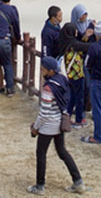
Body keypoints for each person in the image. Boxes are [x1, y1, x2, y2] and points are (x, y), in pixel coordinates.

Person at [28, 56, 87, 194]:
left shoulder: (49, 87)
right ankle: (78, 181)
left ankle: (40, 186)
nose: (41, 71)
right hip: (59, 122)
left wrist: (36, 127)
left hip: (48, 126)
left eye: (43, 69)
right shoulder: (62, 80)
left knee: (41, 153)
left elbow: (44, 112)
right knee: (62, 152)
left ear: (50, 71)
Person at [59, 19, 88, 128]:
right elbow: (86, 47)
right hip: (76, 74)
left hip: (68, 74)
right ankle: (79, 120)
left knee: (71, 97)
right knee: (79, 97)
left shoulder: (64, 41)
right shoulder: (74, 44)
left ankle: (67, 116)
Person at [0, 0, 22, 95]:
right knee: (8, 63)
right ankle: (10, 88)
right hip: (9, 39)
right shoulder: (13, 9)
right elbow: (16, 23)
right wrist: (18, 37)